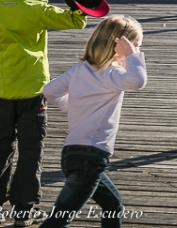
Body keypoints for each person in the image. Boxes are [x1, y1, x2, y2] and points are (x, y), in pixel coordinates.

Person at [0, 0, 87, 228]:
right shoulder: (37, 9)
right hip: (33, 90)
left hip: (2, 88)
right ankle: (23, 210)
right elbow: (78, 20)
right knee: (31, 148)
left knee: (0, 145)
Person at [39, 15, 147, 228]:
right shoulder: (111, 73)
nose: (137, 51)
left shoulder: (80, 69)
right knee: (60, 219)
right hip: (92, 154)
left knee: (113, 205)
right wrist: (132, 56)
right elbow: (138, 81)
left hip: (73, 152)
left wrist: (71, 105)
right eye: (136, 46)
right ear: (120, 46)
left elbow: (50, 91)